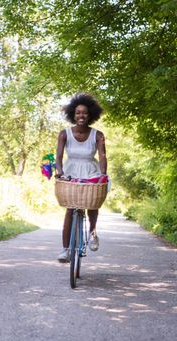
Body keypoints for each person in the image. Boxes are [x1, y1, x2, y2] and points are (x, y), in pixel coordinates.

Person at [55, 93, 107, 262]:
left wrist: (103, 175)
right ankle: (65, 249)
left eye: (84, 113)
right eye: (78, 113)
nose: (81, 116)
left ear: (90, 114)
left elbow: (102, 156)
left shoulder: (97, 135)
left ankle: (92, 232)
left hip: (91, 171)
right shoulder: (64, 134)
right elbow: (58, 156)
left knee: (92, 202)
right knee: (70, 209)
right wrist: (60, 172)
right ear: (73, 114)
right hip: (70, 171)